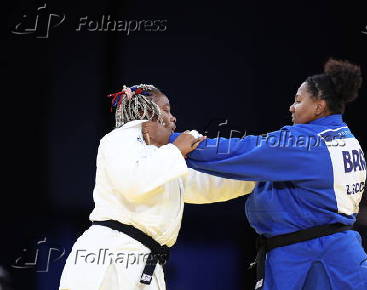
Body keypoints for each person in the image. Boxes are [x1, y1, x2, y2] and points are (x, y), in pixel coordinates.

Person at [166, 59, 367, 289]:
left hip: (310, 257)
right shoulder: (347, 139)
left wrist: (171, 142)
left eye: (298, 101)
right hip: (340, 255)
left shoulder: (306, 142)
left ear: (319, 106)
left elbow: (239, 152)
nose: (291, 107)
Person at [59, 84, 255, 290]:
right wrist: (177, 150)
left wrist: (258, 177)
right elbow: (134, 182)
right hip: (107, 257)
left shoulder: (164, 162)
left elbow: (207, 184)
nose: (174, 119)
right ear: (146, 114)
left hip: (145, 263)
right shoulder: (119, 139)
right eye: (166, 110)